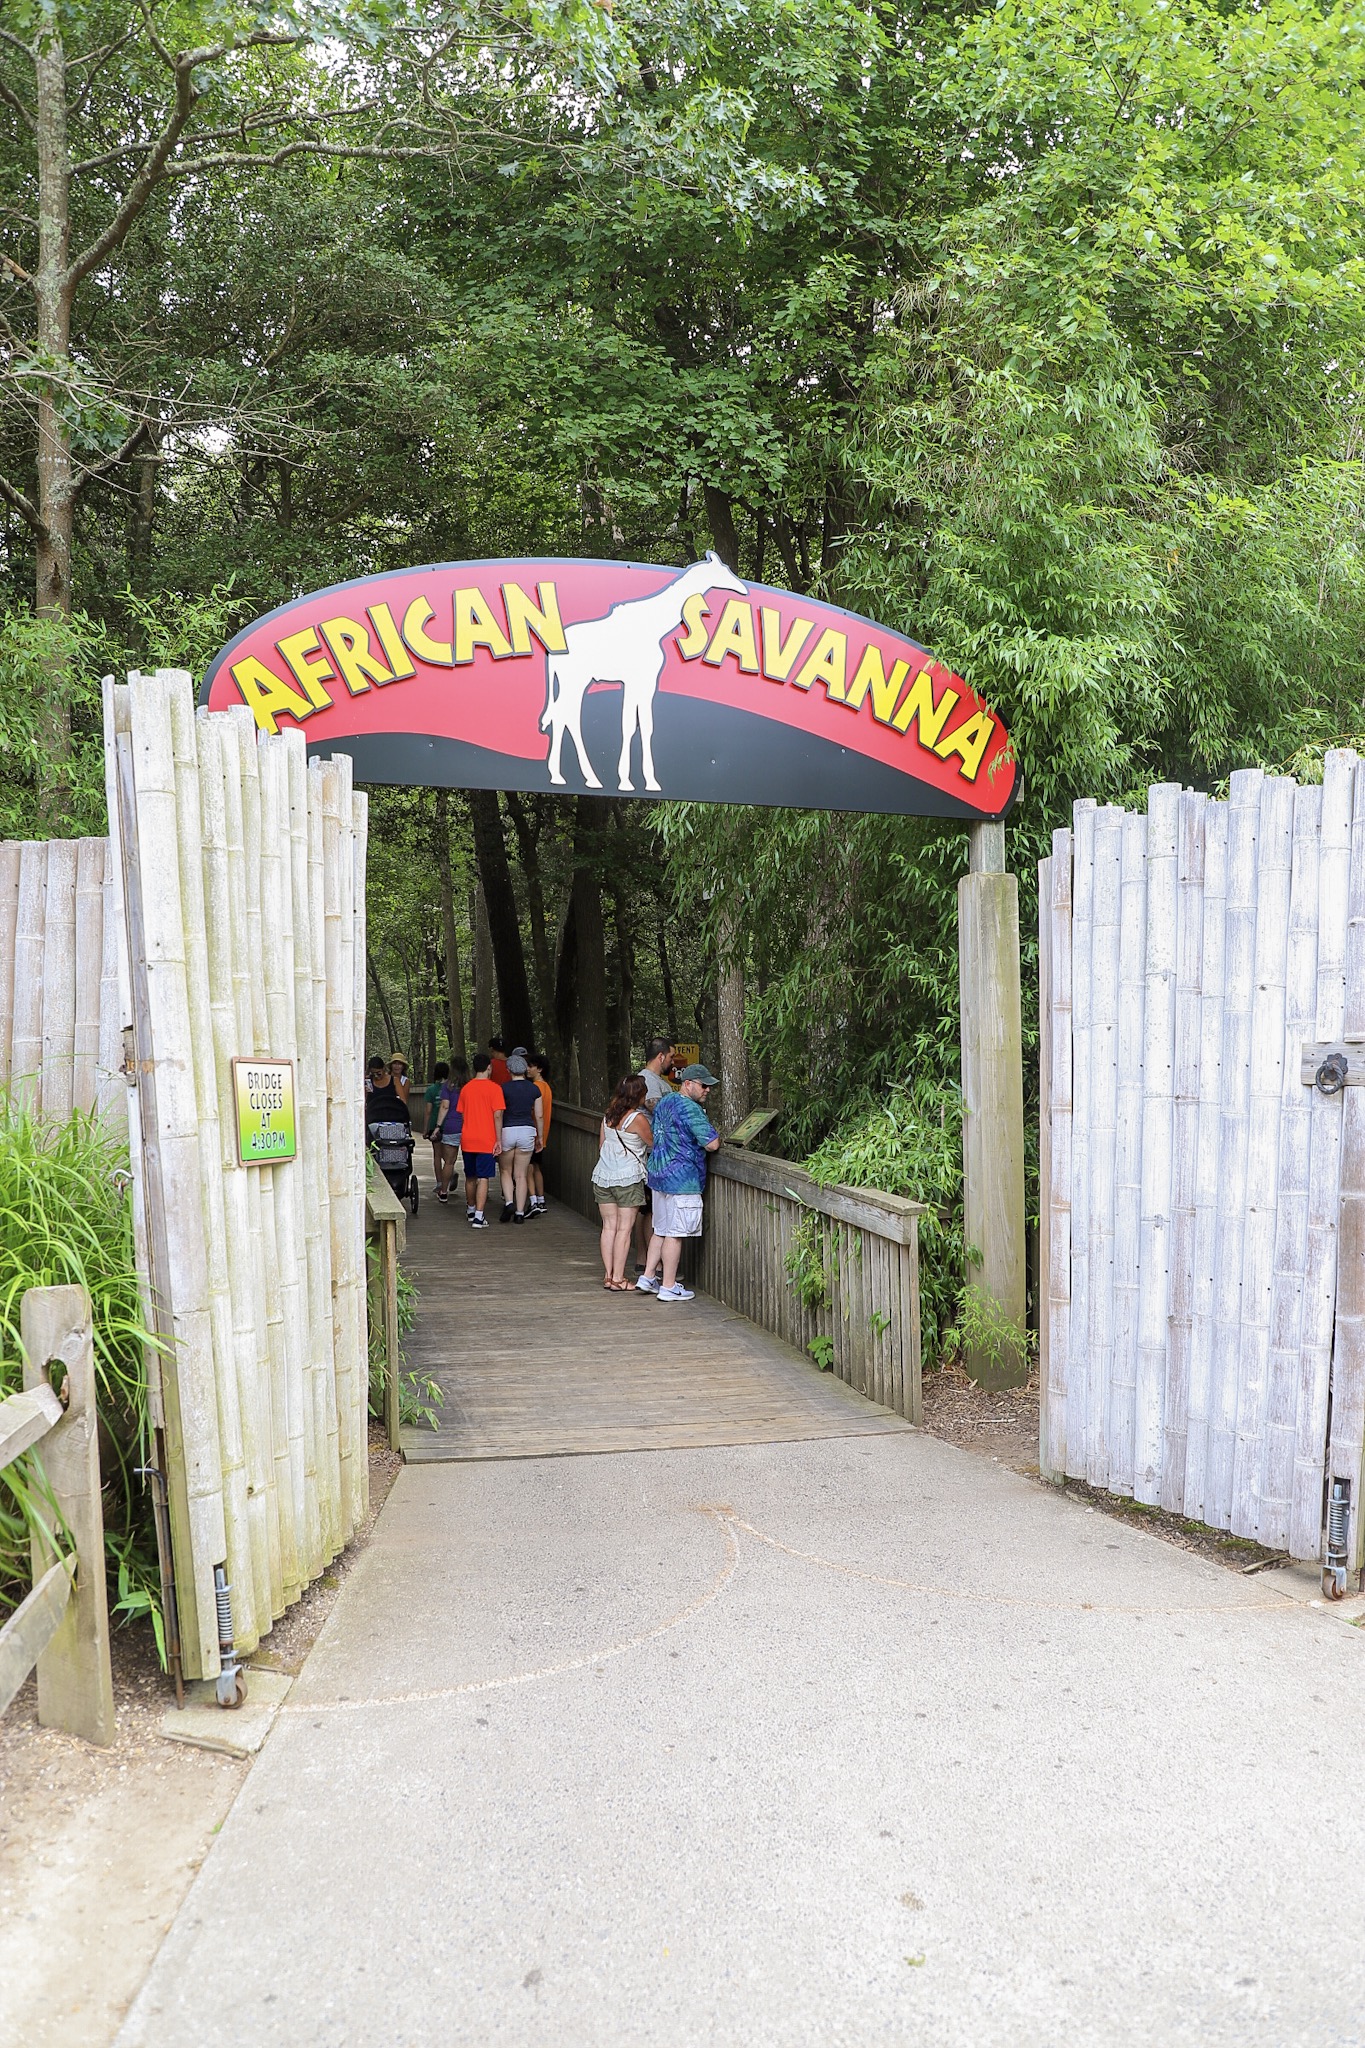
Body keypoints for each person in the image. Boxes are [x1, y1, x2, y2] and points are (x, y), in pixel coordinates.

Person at [637, 1063, 720, 1303]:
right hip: (682, 1180)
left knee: (660, 1230)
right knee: (675, 1234)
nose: (707, 1090)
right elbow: (711, 1143)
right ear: (688, 1084)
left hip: (659, 1175)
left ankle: (648, 1276)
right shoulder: (690, 1109)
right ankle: (669, 1286)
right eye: (703, 1086)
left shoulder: (665, 1102)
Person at [592, 1077, 653, 1289]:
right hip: (628, 1178)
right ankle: (619, 1278)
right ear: (638, 1096)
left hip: (603, 1176)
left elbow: (602, 1146)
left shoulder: (607, 1115)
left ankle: (608, 1275)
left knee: (609, 1227)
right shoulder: (637, 1119)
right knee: (624, 1230)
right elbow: (653, 1142)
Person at [632, 1036, 676, 1267]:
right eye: (670, 1057)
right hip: (651, 1154)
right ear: (661, 1056)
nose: (672, 1061)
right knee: (650, 1212)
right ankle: (655, 1264)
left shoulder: (655, 1080)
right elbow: (653, 1106)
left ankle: (643, 1258)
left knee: (645, 1210)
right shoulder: (648, 1080)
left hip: (652, 1153)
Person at [456, 1053, 504, 1228]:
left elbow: (461, 1114)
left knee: (470, 1176)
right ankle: (479, 1216)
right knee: (483, 1177)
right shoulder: (495, 1089)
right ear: (489, 1067)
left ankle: (470, 1208)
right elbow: (497, 1115)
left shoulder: (466, 1089)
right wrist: (499, 1140)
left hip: (468, 1137)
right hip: (486, 1138)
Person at [497, 1053, 544, 1223]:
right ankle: (519, 1213)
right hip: (527, 1131)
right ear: (525, 1069)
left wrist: (497, 1137)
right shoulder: (534, 1089)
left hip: (508, 1130)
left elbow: (499, 1114)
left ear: (508, 1069)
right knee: (521, 1175)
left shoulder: (503, 1088)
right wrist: (540, 1137)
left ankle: (509, 1202)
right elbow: (538, 1116)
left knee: (505, 1171)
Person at [431, 1057, 467, 1201]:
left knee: (449, 1162)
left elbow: (444, 1106)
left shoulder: (448, 1086)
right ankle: (478, 1191)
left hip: (452, 1126)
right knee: (471, 1161)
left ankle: (444, 1191)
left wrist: (437, 1127)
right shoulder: (470, 1085)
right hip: (468, 1126)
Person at [526, 1053, 552, 1216]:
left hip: (534, 1133)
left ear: (540, 1069)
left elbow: (536, 1112)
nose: (528, 1069)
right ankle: (541, 1199)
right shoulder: (546, 1087)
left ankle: (533, 1200)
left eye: (531, 1066)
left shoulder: (536, 1088)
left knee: (527, 1168)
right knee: (536, 1168)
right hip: (542, 1134)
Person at [637, 1036, 676, 1105]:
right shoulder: (647, 1079)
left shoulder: (657, 1080)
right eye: (671, 1057)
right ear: (661, 1057)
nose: (673, 1062)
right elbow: (658, 1111)